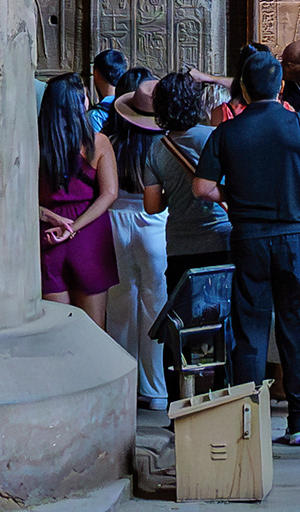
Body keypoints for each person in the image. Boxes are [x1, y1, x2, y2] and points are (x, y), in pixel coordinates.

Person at [205, 46, 300, 445]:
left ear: (243, 91)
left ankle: (250, 420)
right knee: (298, 325)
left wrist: (229, 196)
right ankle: (299, 421)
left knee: (249, 328)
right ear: (281, 86)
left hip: (249, 235)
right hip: (297, 236)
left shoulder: (227, 131)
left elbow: (202, 186)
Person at [145, 73, 236, 388]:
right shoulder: (214, 136)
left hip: (181, 246)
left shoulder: (157, 148)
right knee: (222, 321)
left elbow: (153, 206)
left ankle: (181, 401)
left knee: (182, 325)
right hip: (221, 239)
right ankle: (224, 393)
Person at [106, 66, 173, 408]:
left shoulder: (112, 143)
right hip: (154, 221)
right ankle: (155, 388)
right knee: (155, 303)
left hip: (115, 217)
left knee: (119, 303)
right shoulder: (163, 145)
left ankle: (121, 385)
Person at [39, 73, 122, 319]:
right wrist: (74, 226)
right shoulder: (98, 143)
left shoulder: (35, 145)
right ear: (81, 102)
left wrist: (47, 215)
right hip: (89, 234)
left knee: (56, 331)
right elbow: (109, 193)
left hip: (48, 233)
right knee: (94, 331)